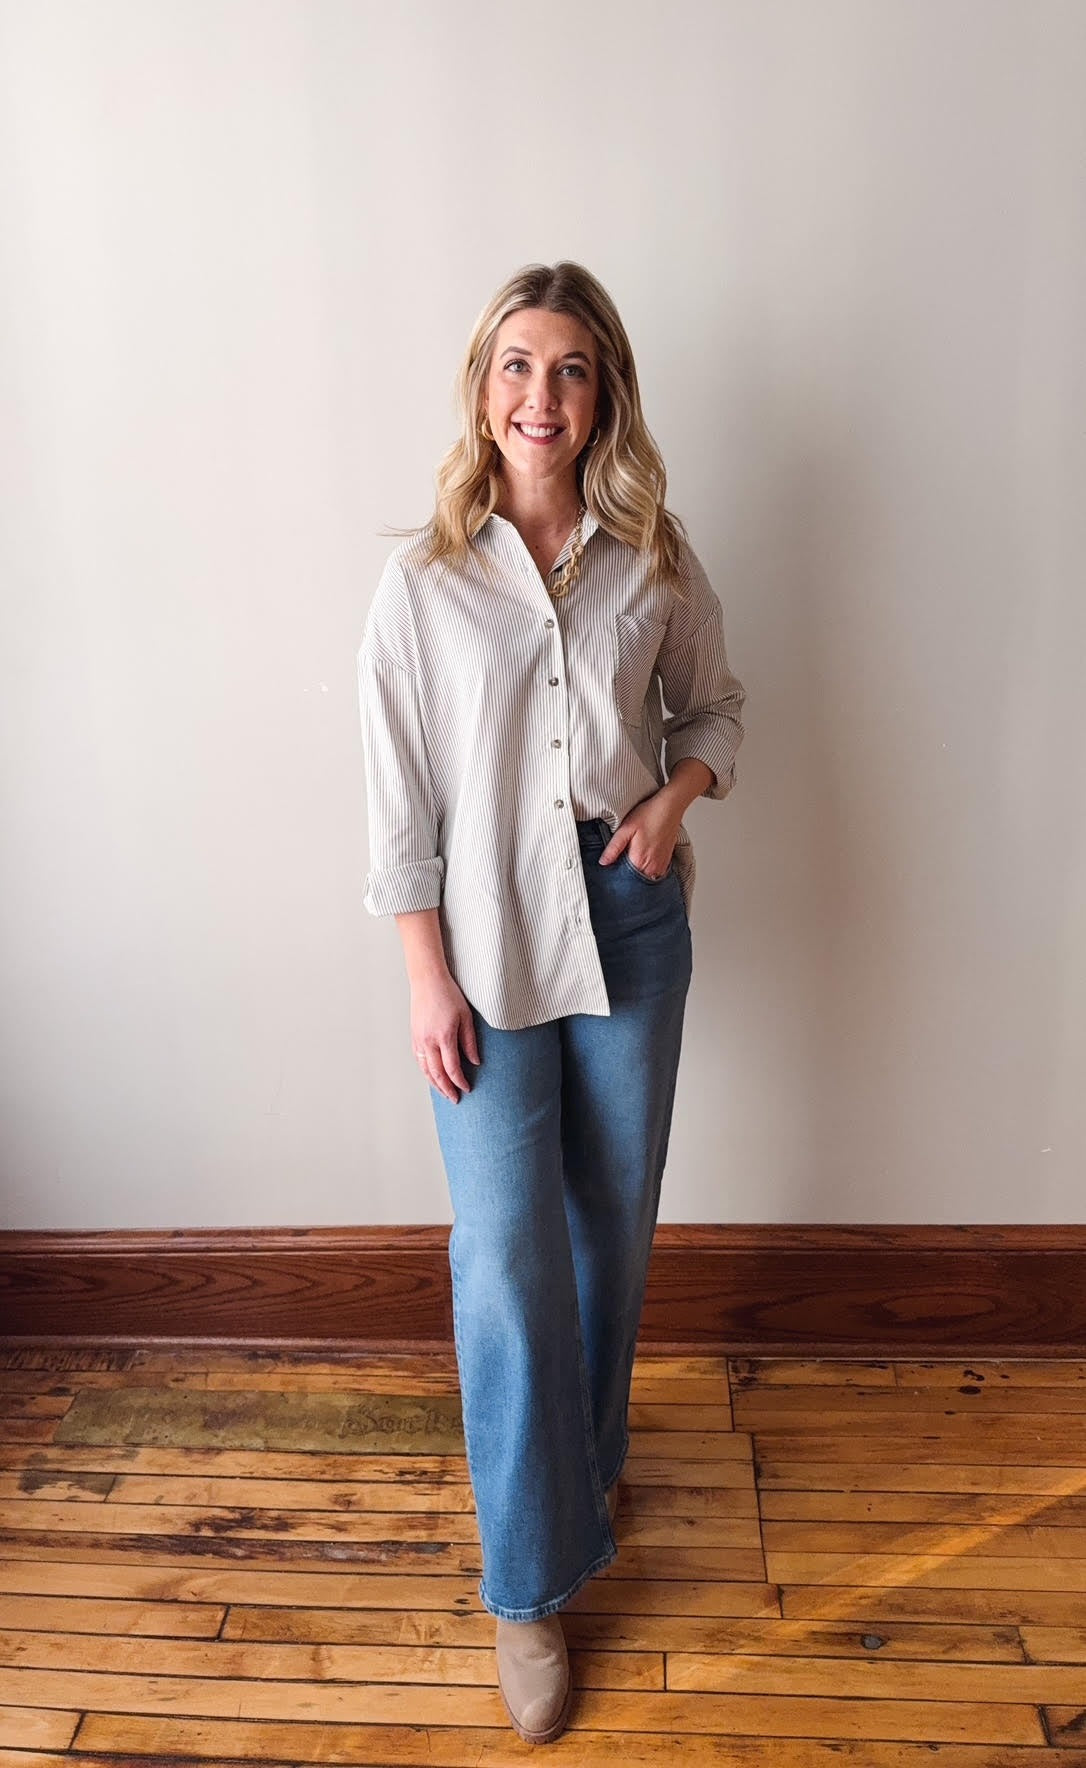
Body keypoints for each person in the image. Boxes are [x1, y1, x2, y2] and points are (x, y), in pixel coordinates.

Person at [357, 260, 746, 1744]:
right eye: (517, 366)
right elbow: (397, 804)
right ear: (481, 390)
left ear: (604, 397)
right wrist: (422, 974)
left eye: (571, 370)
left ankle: (578, 1478)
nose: (541, 395)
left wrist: (672, 803)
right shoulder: (422, 583)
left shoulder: (651, 554)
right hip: (484, 947)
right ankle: (527, 1588)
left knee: (607, 1236)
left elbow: (713, 704)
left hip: (632, 933)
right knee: (504, 1261)